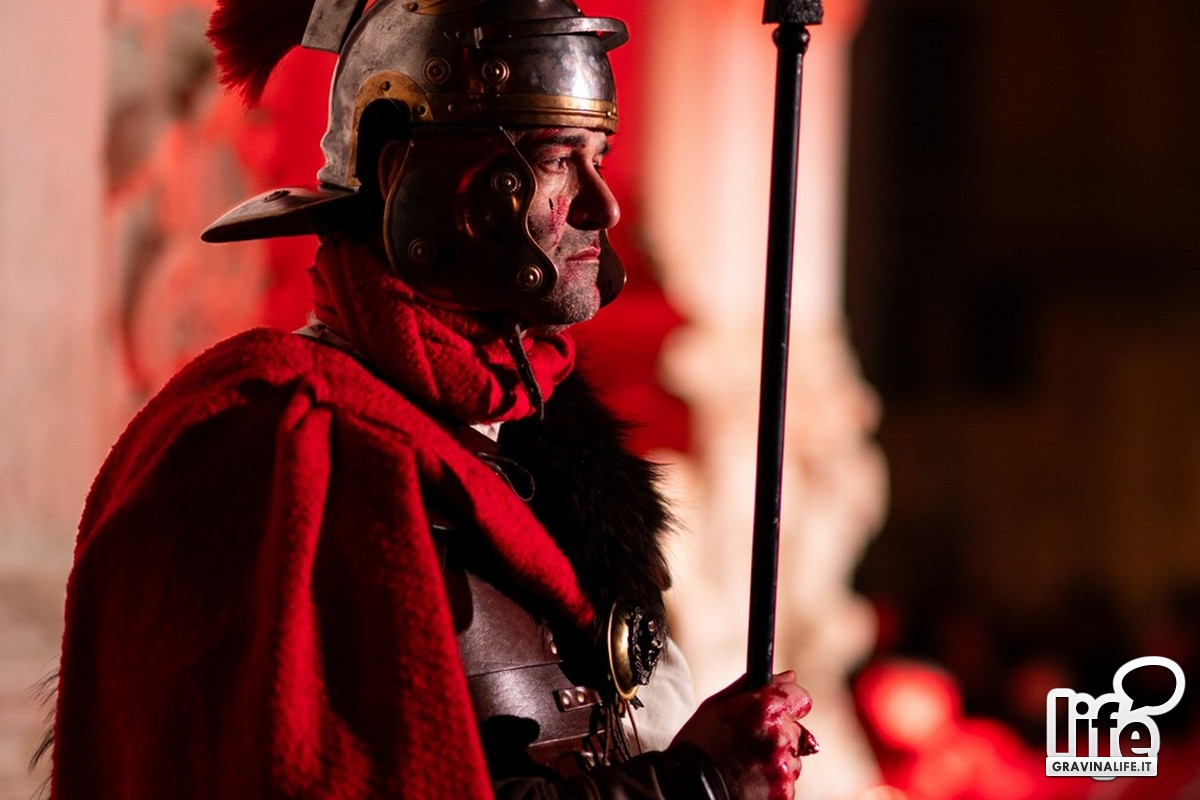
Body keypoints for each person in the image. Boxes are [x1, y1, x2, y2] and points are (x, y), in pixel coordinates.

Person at [49, 0, 817, 797]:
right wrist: (695, 783)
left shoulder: (539, 441)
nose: (603, 205)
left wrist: (710, 755)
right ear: (408, 179)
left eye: (600, 154)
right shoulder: (278, 442)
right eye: (557, 159)